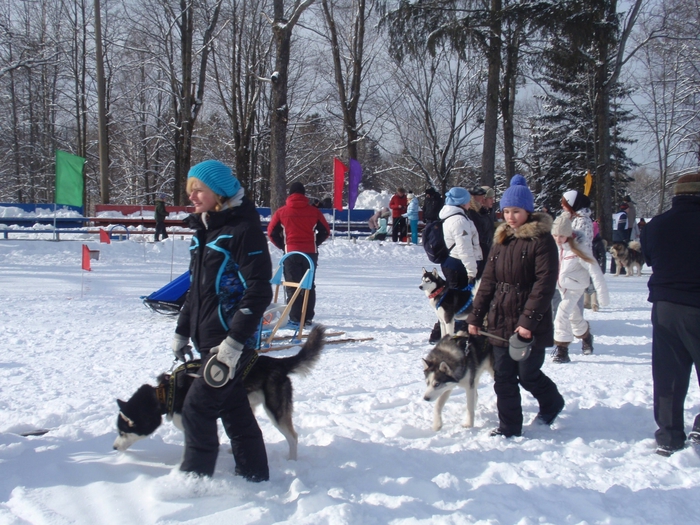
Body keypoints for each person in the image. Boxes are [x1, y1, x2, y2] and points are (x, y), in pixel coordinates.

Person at [171, 159, 272, 480]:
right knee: (233, 410)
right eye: (191, 191)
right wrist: (181, 331)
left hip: (231, 343)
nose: (193, 197)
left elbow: (258, 292)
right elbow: (196, 292)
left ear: (219, 193)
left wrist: (233, 343)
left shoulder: (243, 231)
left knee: (196, 409)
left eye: (198, 190)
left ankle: (194, 481)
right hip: (208, 341)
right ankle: (255, 475)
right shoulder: (204, 232)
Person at [467, 175, 564, 438]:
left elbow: (544, 285)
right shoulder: (501, 240)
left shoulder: (541, 241)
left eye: (516, 211)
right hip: (499, 319)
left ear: (528, 211)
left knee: (528, 374)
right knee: (503, 377)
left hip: (529, 321)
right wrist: (475, 317)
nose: (510, 217)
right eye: (507, 211)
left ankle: (553, 402)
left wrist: (527, 322)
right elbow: (487, 280)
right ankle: (509, 427)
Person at [640, 173, 700, 457]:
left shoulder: (656, 226)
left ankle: (669, 434)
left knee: (668, 375)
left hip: (665, 307)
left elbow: (650, 258)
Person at [267, 182, 331, 327]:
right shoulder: (314, 212)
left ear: (290, 195)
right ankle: (307, 317)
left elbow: (271, 232)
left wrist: (283, 246)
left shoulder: (281, 212)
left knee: (292, 285)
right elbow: (326, 231)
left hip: (291, 252)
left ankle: (295, 318)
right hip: (310, 253)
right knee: (309, 285)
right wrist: (315, 243)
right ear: (304, 195)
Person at [550, 215, 610, 363]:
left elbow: (595, 270)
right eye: (555, 235)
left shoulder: (578, 248)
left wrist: (602, 296)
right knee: (574, 317)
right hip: (561, 287)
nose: (558, 239)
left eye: (562, 236)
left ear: (569, 234)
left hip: (575, 287)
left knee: (562, 314)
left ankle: (562, 350)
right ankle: (586, 336)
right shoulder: (553, 247)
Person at [426, 187, 482, 343]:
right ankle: (443, 336)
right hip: (458, 265)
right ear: (462, 202)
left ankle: (451, 335)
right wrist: (472, 271)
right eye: (468, 200)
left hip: (454, 263)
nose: (470, 203)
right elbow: (465, 248)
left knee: (453, 302)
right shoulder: (458, 220)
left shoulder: (454, 216)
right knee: (454, 304)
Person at [466, 186, 495, 279]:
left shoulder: (486, 212)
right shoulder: (472, 213)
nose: (492, 201)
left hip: (487, 252)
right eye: (489, 198)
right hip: (479, 255)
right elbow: (477, 234)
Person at [611, 203, 629, 274]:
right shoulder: (623, 215)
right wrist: (624, 238)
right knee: (621, 253)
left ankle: (613, 268)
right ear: (626, 208)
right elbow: (621, 226)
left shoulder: (616, 215)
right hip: (620, 236)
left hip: (615, 235)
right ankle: (621, 269)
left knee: (615, 253)